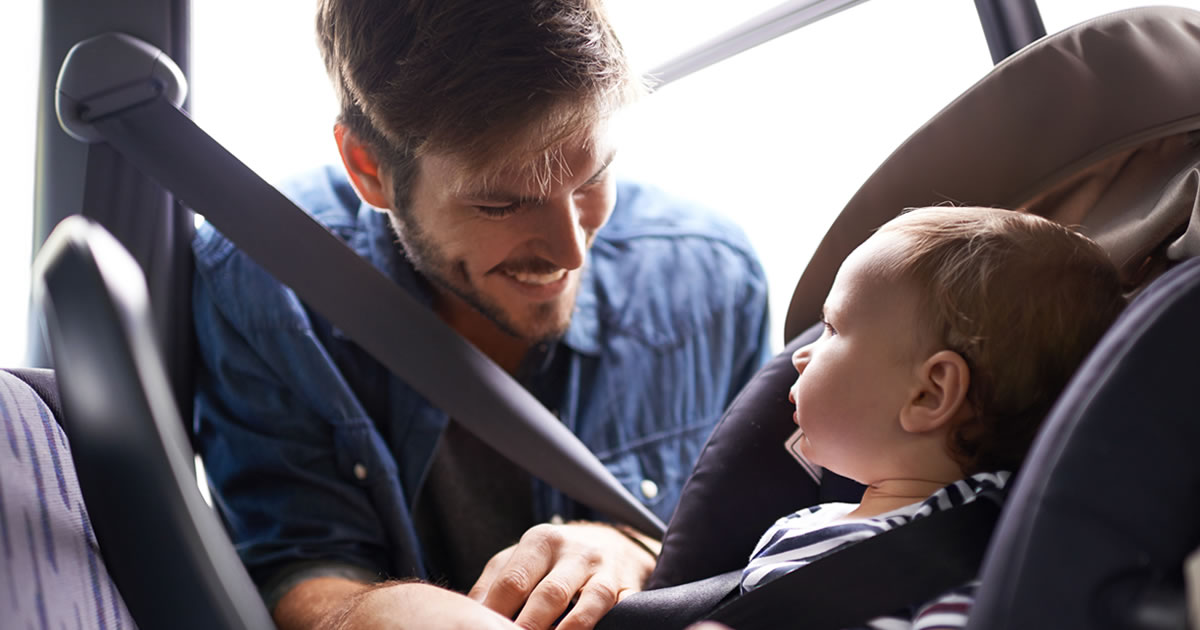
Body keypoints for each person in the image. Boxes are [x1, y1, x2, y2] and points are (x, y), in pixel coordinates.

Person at [190, 1, 771, 629]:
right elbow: (293, 561)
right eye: (501, 204)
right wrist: (379, 615)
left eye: (591, 179)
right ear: (369, 168)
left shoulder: (712, 279)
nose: (570, 250)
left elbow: (764, 540)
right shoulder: (268, 283)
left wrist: (633, 551)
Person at [739, 207, 1125, 628]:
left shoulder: (975, 560)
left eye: (832, 329)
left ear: (928, 394)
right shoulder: (800, 526)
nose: (800, 355)